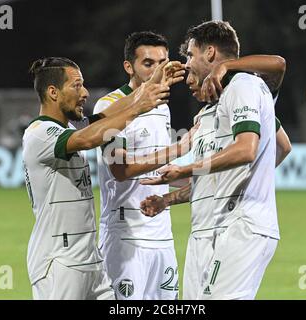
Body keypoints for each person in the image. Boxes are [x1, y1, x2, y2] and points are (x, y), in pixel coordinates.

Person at [140, 21, 291, 300]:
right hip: (205, 230)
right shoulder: (208, 113)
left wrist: (185, 168)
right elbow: (282, 146)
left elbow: (246, 150)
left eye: (190, 56)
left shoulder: (244, 84)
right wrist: (167, 200)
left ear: (209, 53)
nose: (186, 71)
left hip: (239, 226)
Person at [22, 56, 178, 299]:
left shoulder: (68, 129)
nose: (84, 92)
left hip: (89, 259)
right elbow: (89, 138)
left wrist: (147, 87)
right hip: (58, 261)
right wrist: (138, 108)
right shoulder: (40, 133)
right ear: (53, 92)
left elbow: (104, 118)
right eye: (76, 85)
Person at [92, 31, 195, 300]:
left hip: (162, 235)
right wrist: (179, 148)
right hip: (125, 236)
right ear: (129, 66)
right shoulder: (110, 105)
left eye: (162, 62)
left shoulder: (162, 106)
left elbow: (158, 168)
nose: (157, 70)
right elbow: (120, 168)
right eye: (148, 63)